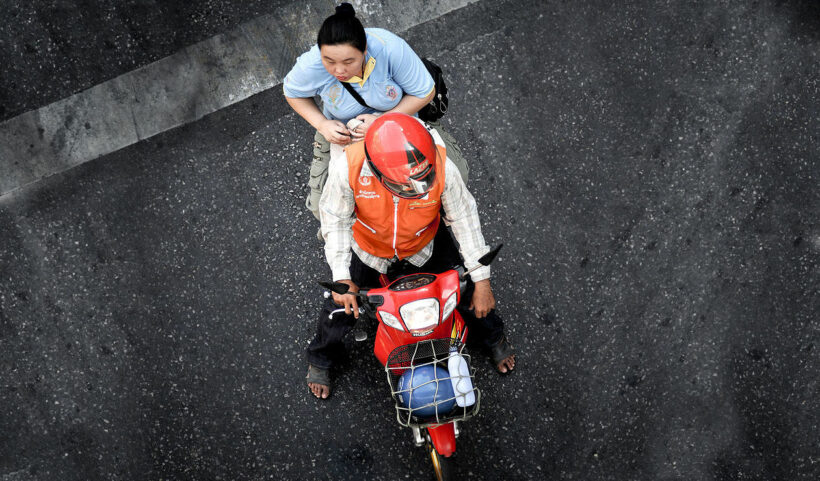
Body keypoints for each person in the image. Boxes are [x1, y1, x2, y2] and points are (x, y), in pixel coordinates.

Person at [306, 112, 514, 399]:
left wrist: (482, 282)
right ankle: (321, 357)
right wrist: (342, 278)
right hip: (369, 249)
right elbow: (335, 222)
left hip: (424, 242)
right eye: (408, 187)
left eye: (425, 180)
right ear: (378, 172)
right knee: (341, 307)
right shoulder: (348, 168)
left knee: (470, 293)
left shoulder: (443, 166)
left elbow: (466, 222)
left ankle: (493, 336)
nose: (422, 189)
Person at [283, 2, 468, 223]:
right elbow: (292, 92)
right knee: (323, 208)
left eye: (348, 61)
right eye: (329, 61)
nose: (338, 70)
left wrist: (382, 120)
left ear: (365, 50)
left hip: (401, 123)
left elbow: (425, 92)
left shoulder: (389, 48)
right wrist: (322, 124)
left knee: (455, 179)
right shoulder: (311, 64)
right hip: (345, 134)